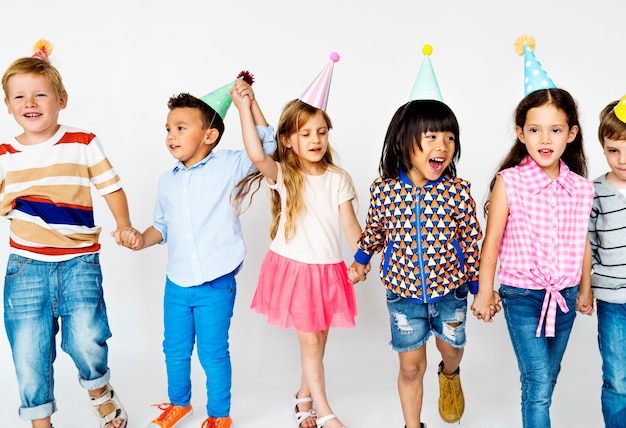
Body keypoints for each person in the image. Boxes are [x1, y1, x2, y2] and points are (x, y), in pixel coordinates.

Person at [117, 73, 276, 428]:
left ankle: (219, 414)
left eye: (181, 128)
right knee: (173, 349)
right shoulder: (167, 180)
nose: (171, 135)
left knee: (212, 352)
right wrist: (140, 240)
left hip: (215, 283)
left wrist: (247, 105)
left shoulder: (230, 165)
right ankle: (180, 403)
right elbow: (161, 227)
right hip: (177, 284)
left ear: (209, 136)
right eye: (169, 128)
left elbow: (268, 147)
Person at [1, 39, 133, 428]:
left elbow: (111, 187)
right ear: (8, 106)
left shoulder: (83, 142)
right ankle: (40, 420)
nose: (31, 102)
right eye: (20, 96)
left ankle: (99, 390)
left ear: (62, 99)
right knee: (29, 349)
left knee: (87, 340)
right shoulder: (5, 154)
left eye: (41, 94)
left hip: (79, 261)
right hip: (25, 265)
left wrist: (123, 225)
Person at [231, 84, 363, 427]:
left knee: (318, 339)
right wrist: (246, 106)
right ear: (288, 140)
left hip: (327, 270)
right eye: (305, 133)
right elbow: (259, 153)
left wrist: (362, 259)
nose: (316, 139)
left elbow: (350, 225)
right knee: (309, 341)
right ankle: (323, 408)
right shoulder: (285, 175)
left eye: (321, 132)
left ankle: (303, 395)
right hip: (294, 269)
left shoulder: (338, 178)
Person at [349, 99, 482, 428]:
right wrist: (361, 260)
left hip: (450, 292)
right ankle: (413, 425)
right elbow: (375, 231)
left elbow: (470, 242)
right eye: (432, 137)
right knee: (410, 367)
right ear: (403, 141)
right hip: (403, 295)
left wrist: (480, 289)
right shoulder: (385, 190)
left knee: (450, 350)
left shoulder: (457, 192)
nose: (443, 145)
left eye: (449, 138)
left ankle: (450, 376)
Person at [471, 88, 595, 427]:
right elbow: (492, 240)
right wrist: (484, 291)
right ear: (520, 133)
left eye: (555, 130)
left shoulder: (582, 189)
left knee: (546, 380)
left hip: (566, 297)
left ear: (571, 134)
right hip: (523, 297)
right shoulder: (509, 182)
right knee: (538, 381)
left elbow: (582, 241)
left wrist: (585, 289)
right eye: (535, 129)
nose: (545, 139)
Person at [589, 97, 626, 428]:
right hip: (613, 302)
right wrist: (587, 287)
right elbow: (588, 245)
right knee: (618, 377)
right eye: (614, 150)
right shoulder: (595, 192)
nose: (622, 159)